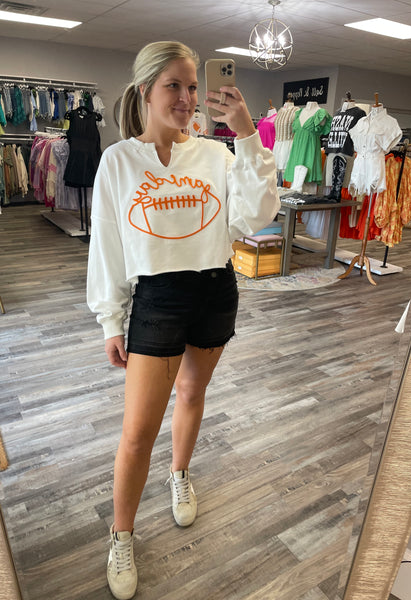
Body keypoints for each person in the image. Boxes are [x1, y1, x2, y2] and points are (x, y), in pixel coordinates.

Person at [86, 40, 280, 599]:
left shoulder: (217, 154)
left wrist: (246, 135)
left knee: (192, 394)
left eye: (193, 86)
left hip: (215, 288)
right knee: (137, 432)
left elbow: (255, 216)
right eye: (174, 85)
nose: (187, 97)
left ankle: (180, 475)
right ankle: (122, 535)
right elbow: (107, 247)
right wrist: (111, 320)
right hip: (157, 297)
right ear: (145, 91)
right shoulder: (119, 160)